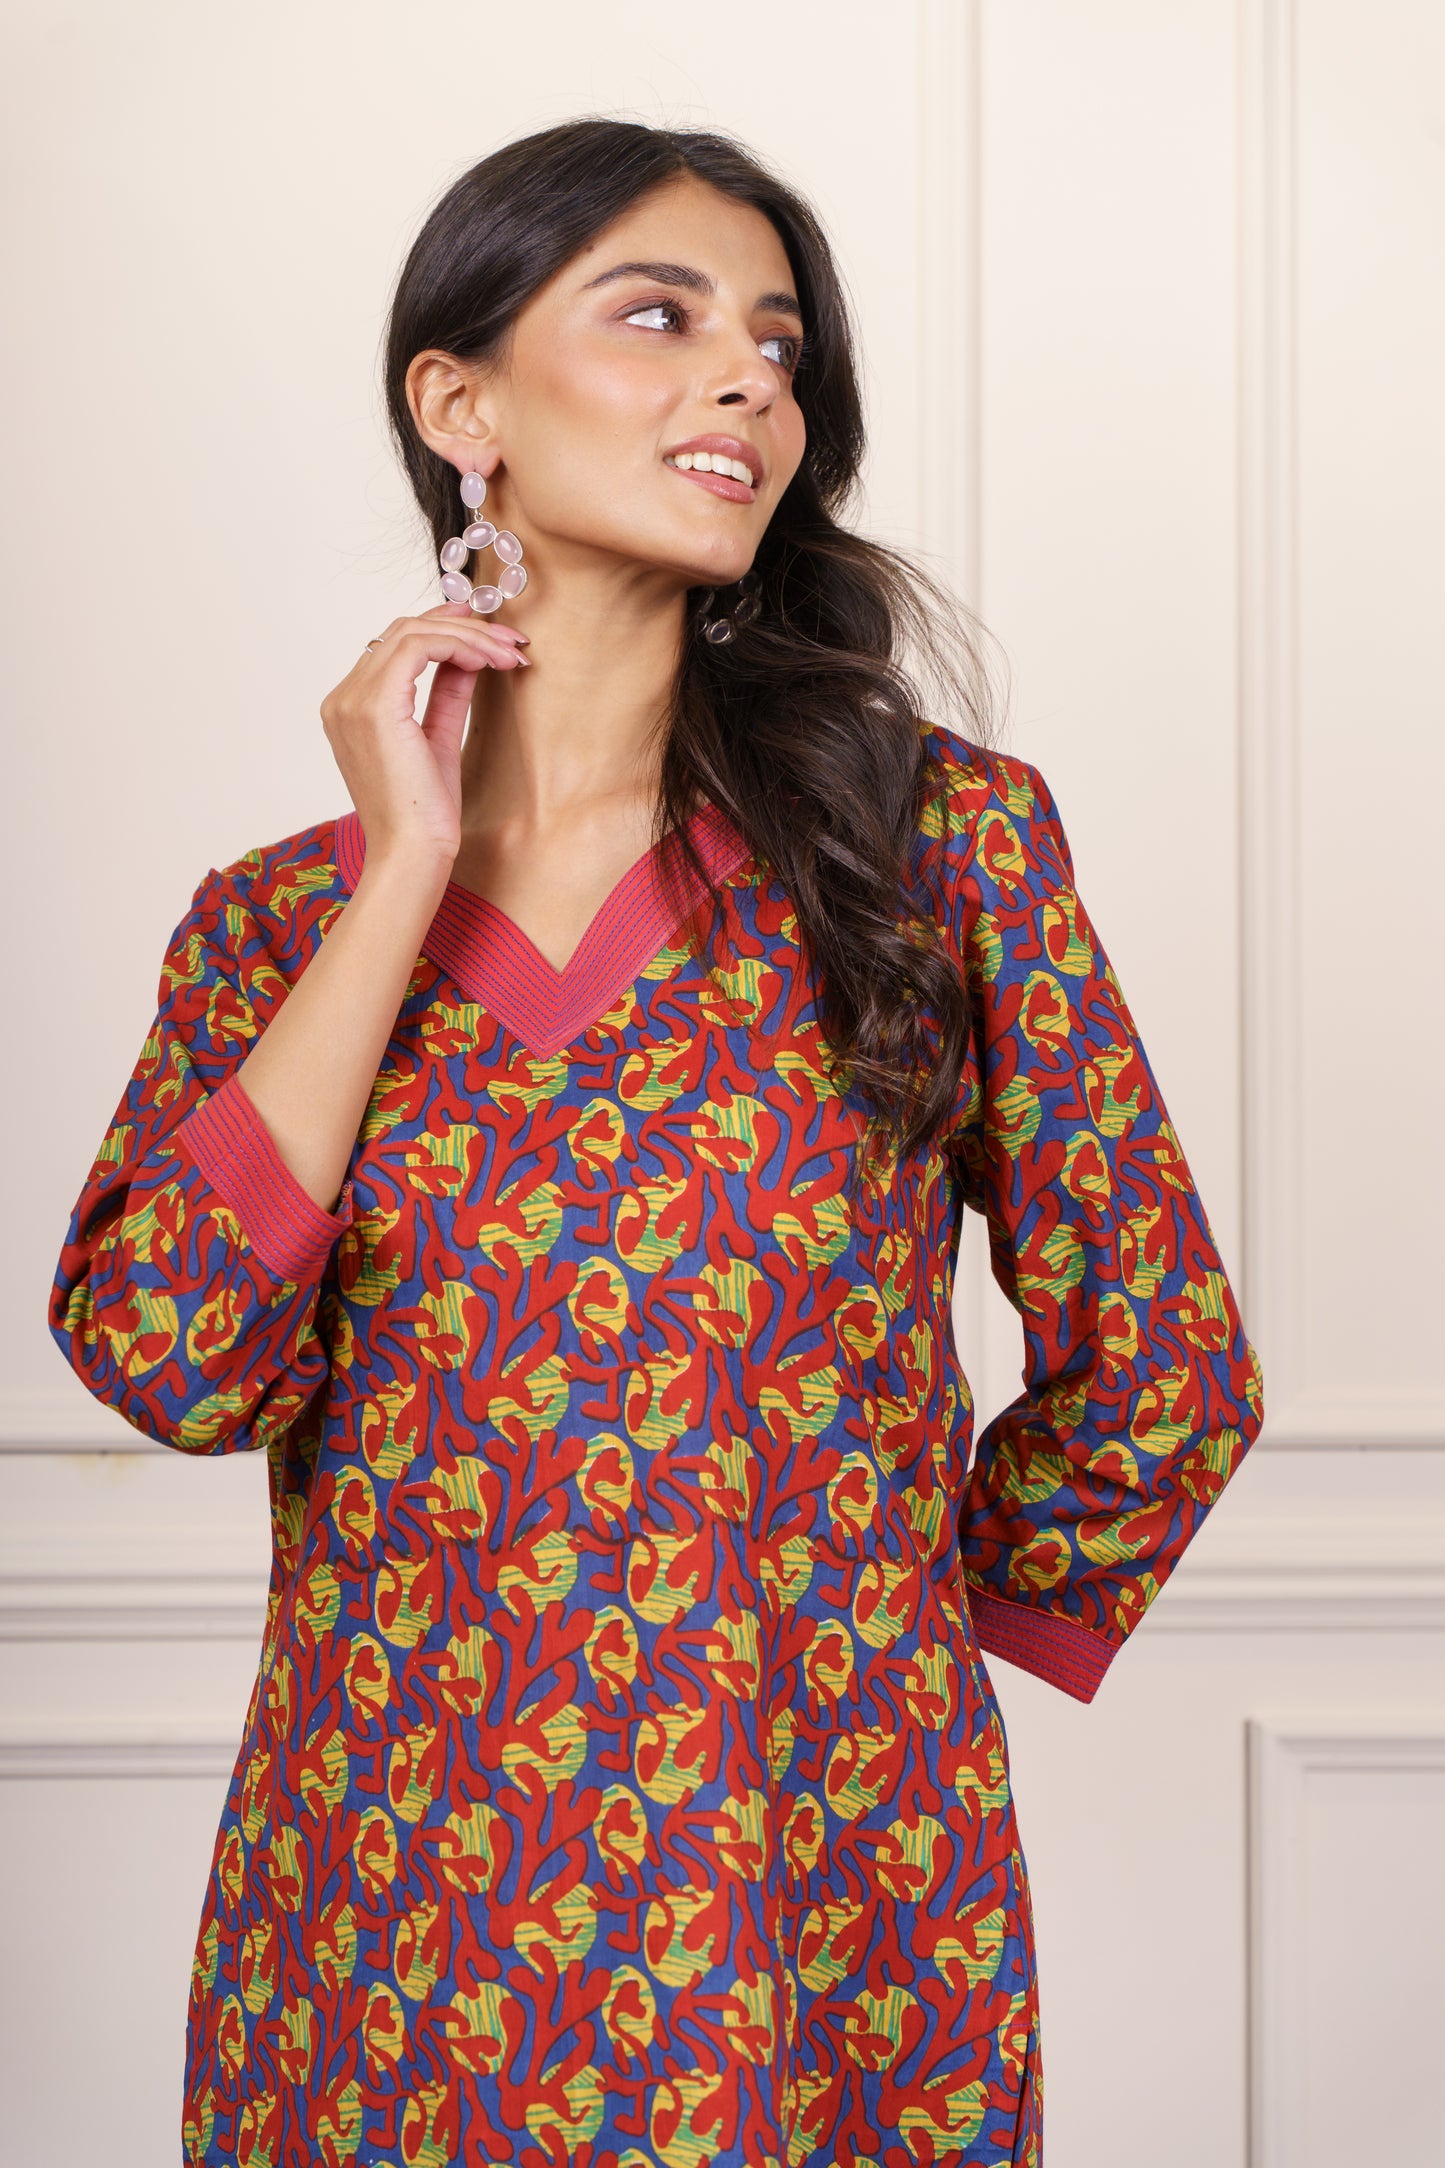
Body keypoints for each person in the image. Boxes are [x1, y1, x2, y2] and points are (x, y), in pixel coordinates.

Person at [48, 117, 1263, 2168]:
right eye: (658, 316)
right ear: (462, 407)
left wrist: (872, 1641)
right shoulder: (278, 926)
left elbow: (1163, 1359)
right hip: (379, 1916)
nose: (746, 384)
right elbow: (168, 1360)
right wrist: (401, 872)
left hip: (808, 1903)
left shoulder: (935, 849)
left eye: (777, 345)